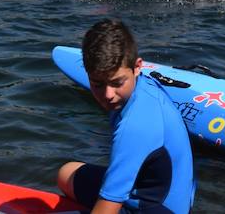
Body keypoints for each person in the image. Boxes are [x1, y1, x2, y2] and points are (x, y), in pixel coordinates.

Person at [58, 19, 195, 214]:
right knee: (67, 173)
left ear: (137, 66)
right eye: (98, 84)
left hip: (155, 209)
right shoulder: (144, 89)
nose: (108, 95)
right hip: (160, 196)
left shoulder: (135, 127)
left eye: (117, 83)